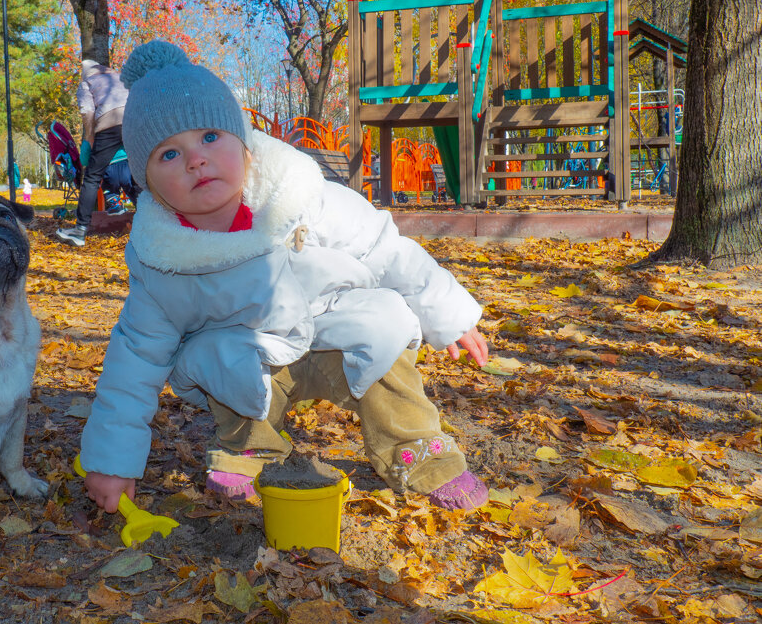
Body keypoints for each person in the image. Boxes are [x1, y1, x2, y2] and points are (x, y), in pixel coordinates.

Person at [79, 41, 490, 515]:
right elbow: (135, 357)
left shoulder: (304, 198)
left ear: (244, 143)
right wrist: (113, 461)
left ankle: (412, 444)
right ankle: (250, 444)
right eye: (168, 155)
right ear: (146, 181)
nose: (195, 159)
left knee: (385, 320)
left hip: (334, 334)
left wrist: (450, 314)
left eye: (210, 136)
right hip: (252, 363)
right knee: (209, 354)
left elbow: (387, 249)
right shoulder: (162, 258)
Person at [55, 60, 130, 247]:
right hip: (133, 121)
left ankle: (80, 230)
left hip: (108, 124)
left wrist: (89, 137)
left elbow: (87, 111)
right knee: (137, 175)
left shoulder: (86, 83)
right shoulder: (120, 77)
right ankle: (154, 226)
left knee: (92, 178)